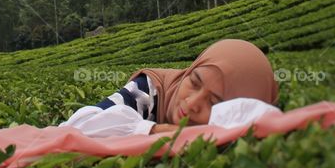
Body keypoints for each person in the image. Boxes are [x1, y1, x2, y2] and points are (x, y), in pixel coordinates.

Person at [59, 39, 281, 137]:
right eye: (194, 82)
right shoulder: (147, 90)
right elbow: (78, 127)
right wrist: (156, 131)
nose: (192, 103)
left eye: (215, 103)